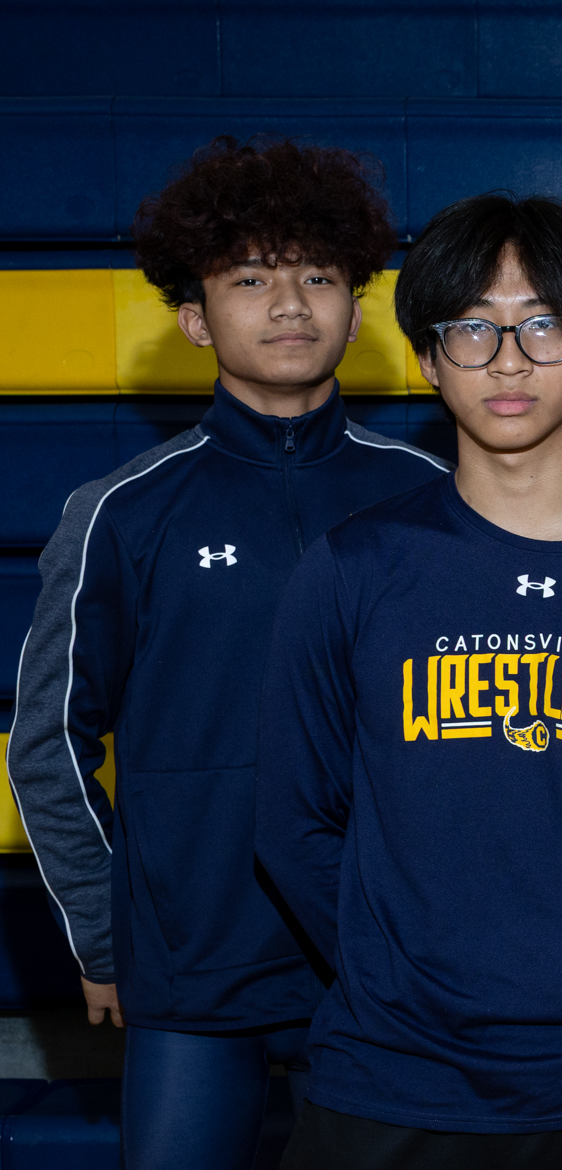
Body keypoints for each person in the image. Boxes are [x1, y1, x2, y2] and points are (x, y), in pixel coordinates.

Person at [255, 194, 562, 1166]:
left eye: (540, 324)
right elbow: (294, 821)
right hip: (392, 1076)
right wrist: (397, 962)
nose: (507, 359)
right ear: (425, 357)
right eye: (472, 329)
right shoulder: (354, 569)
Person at [6, 136, 444, 1170]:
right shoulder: (121, 513)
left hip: (380, 962)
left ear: (354, 303)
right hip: (193, 967)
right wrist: (107, 933)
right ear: (196, 316)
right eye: (252, 277)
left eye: (317, 276)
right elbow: (49, 744)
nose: (289, 302)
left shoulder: (428, 496)